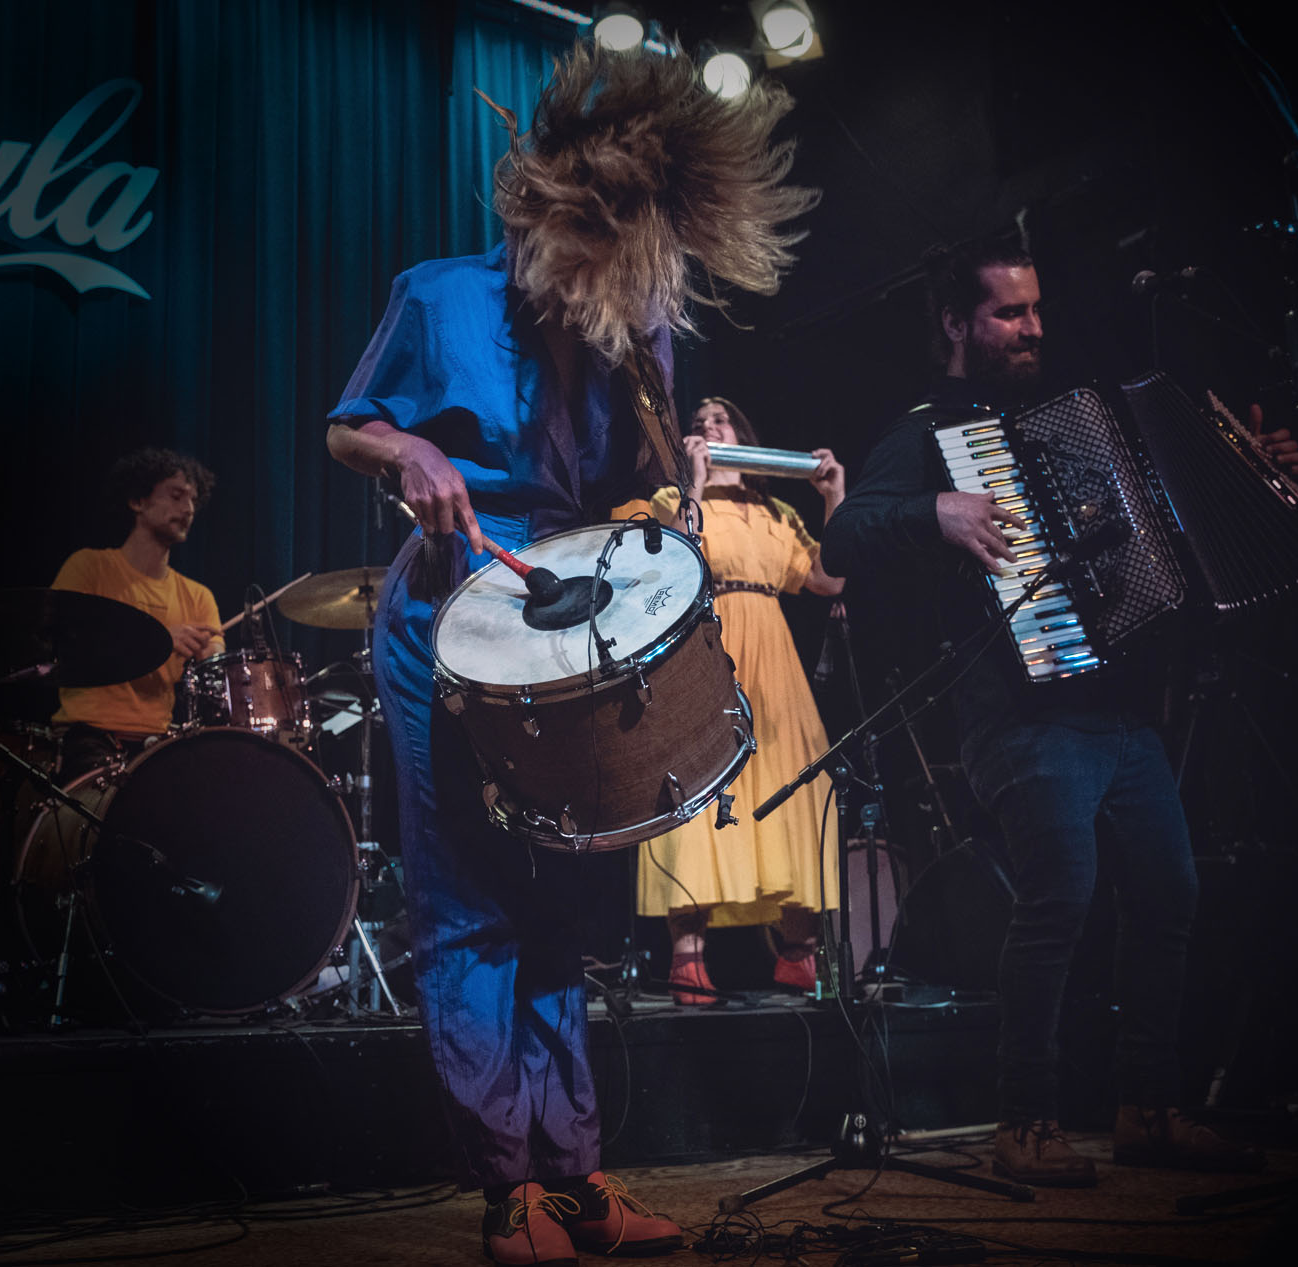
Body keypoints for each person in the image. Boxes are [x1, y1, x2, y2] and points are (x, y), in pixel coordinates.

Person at [323, 43, 816, 1265]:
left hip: (568, 624)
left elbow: (629, 488)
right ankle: (509, 1190)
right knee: (467, 903)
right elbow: (346, 428)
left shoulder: (634, 326)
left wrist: (675, 483)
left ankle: (577, 1173)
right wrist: (410, 452)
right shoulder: (437, 294)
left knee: (562, 905)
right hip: (447, 616)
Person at [821, 241, 1294, 1186]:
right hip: (1019, 713)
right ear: (956, 324)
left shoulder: (1080, 413)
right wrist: (936, 511)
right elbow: (844, 533)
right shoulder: (928, 432)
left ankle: (1147, 1108)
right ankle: (1025, 1117)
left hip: (1118, 706)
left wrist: (1250, 470)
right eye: (1008, 312)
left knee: (1169, 892)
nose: (1031, 327)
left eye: (1036, 309)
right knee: (1061, 896)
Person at [637, 396, 846, 1004]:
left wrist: (833, 495)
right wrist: (695, 484)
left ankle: (799, 954)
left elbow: (828, 579)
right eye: (698, 423)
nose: (708, 426)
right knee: (701, 791)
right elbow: (676, 560)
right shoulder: (673, 501)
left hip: (774, 666)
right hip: (707, 650)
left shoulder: (777, 511)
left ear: (744, 435)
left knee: (792, 789)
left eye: (721, 419)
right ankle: (687, 958)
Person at [50, 448, 223, 777]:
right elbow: (66, 645)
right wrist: (156, 641)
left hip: (158, 743)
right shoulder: (89, 567)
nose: (188, 509)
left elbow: (216, 661)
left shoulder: (199, 596)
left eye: (193, 501)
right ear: (138, 501)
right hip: (88, 735)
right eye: (176, 496)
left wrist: (211, 658)